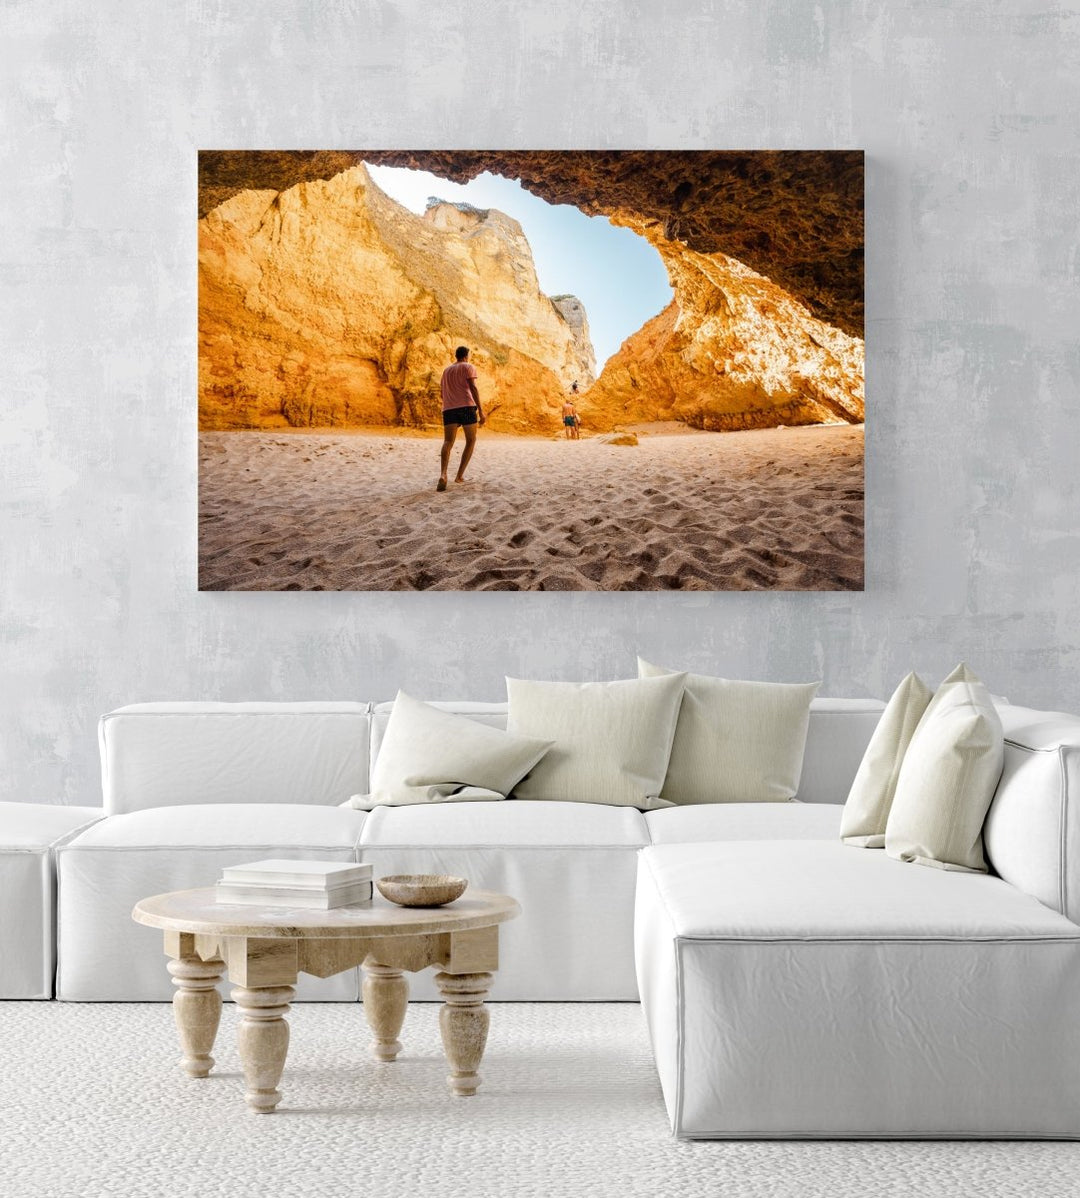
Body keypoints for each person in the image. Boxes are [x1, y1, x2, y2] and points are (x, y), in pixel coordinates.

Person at [437, 346, 484, 492]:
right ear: (466, 355)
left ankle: (443, 474)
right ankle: (459, 476)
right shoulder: (468, 367)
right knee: (471, 440)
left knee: (448, 442)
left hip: (449, 409)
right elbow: (473, 388)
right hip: (466, 408)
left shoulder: (446, 371)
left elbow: (441, 393)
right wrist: (481, 411)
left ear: (456, 355)